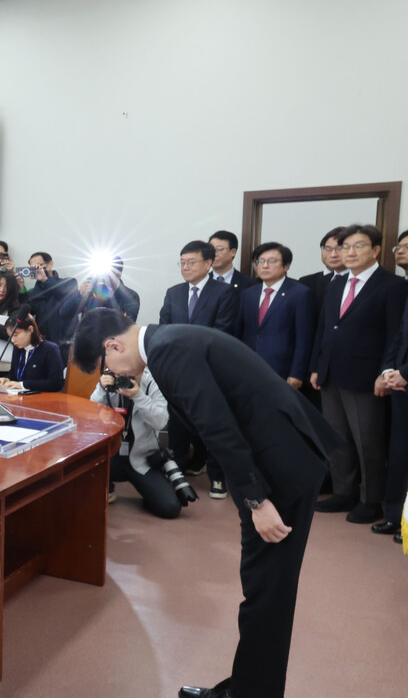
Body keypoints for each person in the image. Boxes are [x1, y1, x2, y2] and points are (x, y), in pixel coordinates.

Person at [73, 308, 341, 698]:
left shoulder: (169, 351)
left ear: (112, 345)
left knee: (267, 587)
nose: (113, 373)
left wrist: (256, 500)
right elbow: (207, 412)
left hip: (280, 468)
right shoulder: (168, 341)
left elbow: (219, 430)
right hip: (276, 457)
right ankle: (247, 687)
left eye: (108, 365)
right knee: (261, 582)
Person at [310, 224, 408, 524]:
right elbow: (324, 329)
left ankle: (371, 499)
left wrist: (385, 372)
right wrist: (316, 365)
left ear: (376, 250)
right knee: (336, 438)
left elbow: (396, 335)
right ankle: (343, 492)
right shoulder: (336, 284)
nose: (349, 252)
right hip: (330, 374)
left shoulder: (392, 285)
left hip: (367, 377)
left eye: (358, 246)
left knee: (369, 442)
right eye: (345, 247)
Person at [158, 240, 239, 498]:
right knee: (178, 425)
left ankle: (217, 476)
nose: (185, 267)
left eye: (191, 262)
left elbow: (222, 331)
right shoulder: (174, 292)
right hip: (177, 370)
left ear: (208, 263)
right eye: (182, 263)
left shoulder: (223, 292)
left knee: (212, 423)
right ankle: (177, 472)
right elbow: (164, 328)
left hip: (209, 368)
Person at [91, 366, 181, 519]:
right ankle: (108, 485)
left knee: (170, 508)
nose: (122, 374)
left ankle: (147, 489)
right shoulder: (109, 376)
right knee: (81, 495)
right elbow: (91, 414)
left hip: (141, 459)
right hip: (111, 456)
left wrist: (138, 396)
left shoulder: (152, 380)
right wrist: (101, 388)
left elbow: (161, 422)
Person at [238, 242, 312, 387]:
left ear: (286, 266)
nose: (265, 266)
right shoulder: (249, 293)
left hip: (282, 369)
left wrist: (296, 372)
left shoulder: (300, 293)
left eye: (272, 261)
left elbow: (304, 338)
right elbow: (240, 331)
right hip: (249, 364)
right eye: (260, 261)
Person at [377, 294, 408, 543]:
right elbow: (399, 335)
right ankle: (395, 517)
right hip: (401, 388)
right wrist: (389, 371)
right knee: (399, 455)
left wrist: (405, 373)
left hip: (405, 378)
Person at [0, 315, 63, 392]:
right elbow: (14, 374)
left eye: (15, 335)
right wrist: (7, 379)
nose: (12, 340)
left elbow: (56, 383)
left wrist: (23, 385)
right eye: (10, 337)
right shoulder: (18, 348)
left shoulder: (50, 349)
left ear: (30, 330)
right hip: (19, 397)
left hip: (42, 399)